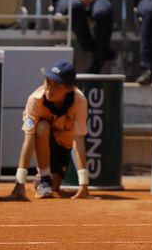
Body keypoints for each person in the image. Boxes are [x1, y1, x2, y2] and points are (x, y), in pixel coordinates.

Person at [8, 60, 90, 200]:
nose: (49, 89)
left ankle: (48, 179)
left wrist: (84, 184)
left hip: (64, 145)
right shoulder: (35, 100)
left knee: (55, 186)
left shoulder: (79, 101)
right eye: (48, 82)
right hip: (43, 140)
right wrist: (20, 181)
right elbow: (28, 141)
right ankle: (44, 177)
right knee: (42, 127)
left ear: (69, 89)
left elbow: (79, 143)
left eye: (57, 85)